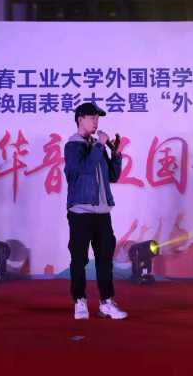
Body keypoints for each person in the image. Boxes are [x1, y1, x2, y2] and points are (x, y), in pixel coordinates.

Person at [64, 102, 127, 320]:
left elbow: (112, 176)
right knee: (79, 259)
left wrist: (115, 154)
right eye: (92, 117)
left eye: (98, 118)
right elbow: (83, 168)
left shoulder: (97, 146)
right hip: (80, 213)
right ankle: (79, 301)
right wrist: (100, 146)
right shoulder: (73, 146)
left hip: (102, 213)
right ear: (80, 118)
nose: (96, 122)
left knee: (104, 259)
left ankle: (106, 302)